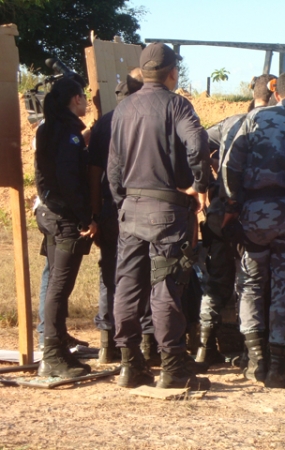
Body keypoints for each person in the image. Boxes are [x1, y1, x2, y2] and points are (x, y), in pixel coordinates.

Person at [107, 42, 211, 390]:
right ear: (171, 72)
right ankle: (172, 368)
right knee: (165, 288)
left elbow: (114, 167)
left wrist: (121, 201)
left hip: (131, 209)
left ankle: (129, 365)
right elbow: (196, 142)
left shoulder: (122, 109)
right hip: (167, 211)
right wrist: (199, 184)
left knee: (128, 285)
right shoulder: (178, 105)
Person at [221, 71, 285, 388]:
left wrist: (233, 203)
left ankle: (256, 360)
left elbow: (230, 165)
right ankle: (278, 364)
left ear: (278, 94)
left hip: (255, 214)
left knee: (250, 283)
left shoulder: (255, 119)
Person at [196, 73, 276, 367]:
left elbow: (197, 144)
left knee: (215, 280)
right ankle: (252, 353)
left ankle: (204, 348)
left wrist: (204, 183)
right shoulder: (281, 126)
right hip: (257, 215)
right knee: (252, 284)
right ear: (277, 96)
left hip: (220, 211)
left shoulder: (230, 122)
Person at [34, 77, 97, 378]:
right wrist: (86, 217)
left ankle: (57, 350)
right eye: (84, 97)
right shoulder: (68, 133)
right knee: (59, 287)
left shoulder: (50, 128)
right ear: (75, 99)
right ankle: (51, 357)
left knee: (58, 286)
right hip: (64, 218)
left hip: (51, 214)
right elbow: (70, 179)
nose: (86, 102)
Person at [88, 71, 145, 364]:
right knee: (141, 275)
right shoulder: (143, 119)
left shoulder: (102, 124)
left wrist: (95, 214)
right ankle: (145, 344)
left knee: (109, 273)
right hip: (138, 206)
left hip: (109, 208)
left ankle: (106, 344)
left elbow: (94, 173)